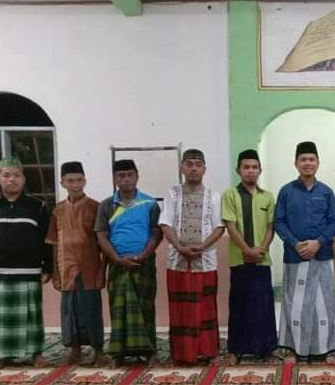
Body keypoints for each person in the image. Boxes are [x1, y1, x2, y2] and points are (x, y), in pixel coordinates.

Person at [0, 157, 52, 369]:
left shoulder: (37, 207)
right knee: (2, 319)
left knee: (31, 317)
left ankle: (36, 354)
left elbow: (47, 240)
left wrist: (48, 267)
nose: (12, 180)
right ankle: (3, 355)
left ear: (23, 179)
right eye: (6, 175)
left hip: (30, 272)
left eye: (16, 175)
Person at [274, 141, 335, 363]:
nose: (307, 163)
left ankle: (326, 348)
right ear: (296, 163)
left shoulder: (326, 192)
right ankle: (295, 349)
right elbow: (279, 222)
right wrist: (295, 244)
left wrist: (318, 243)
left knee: (323, 303)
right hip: (295, 256)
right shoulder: (286, 191)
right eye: (303, 159)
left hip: (322, 256)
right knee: (295, 305)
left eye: (311, 159)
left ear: (318, 163)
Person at [159, 149, 224, 365]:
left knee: (206, 307)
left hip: (204, 262)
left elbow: (219, 227)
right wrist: (179, 247)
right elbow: (165, 223)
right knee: (181, 309)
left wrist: (202, 247)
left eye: (198, 164)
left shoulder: (213, 195)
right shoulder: (173, 194)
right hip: (178, 261)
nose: (193, 168)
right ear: (182, 168)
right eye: (189, 164)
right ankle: (182, 354)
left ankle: (208, 351)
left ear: (205, 169)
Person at [95, 159, 161, 367]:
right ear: (115, 179)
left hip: (144, 264)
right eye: (121, 175)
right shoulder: (107, 205)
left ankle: (150, 353)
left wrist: (143, 256)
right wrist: (117, 259)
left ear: (137, 177)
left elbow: (156, 234)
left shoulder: (150, 203)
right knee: (119, 310)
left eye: (130, 175)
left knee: (145, 308)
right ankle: (118, 354)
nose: (126, 179)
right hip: (117, 265)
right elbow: (101, 236)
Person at [46, 161, 107, 366]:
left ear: (85, 181)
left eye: (79, 180)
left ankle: (98, 350)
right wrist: (55, 272)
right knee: (70, 311)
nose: (75, 185)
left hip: (90, 268)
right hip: (66, 268)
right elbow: (54, 243)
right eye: (70, 181)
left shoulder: (96, 207)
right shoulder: (58, 210)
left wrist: (102, 271)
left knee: (92, 309)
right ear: (62, 183)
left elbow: (104, 242)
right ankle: (75, 350)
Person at [221, 149, 277, 364]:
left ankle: (266, 349)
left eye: (254, 167)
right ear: (238, 170)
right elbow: (230, 225)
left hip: (262, 260)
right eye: (246, 167)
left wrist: (261, 249)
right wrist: (247, 250)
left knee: (264, 305)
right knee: (239, 305)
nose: (250, 171)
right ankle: (235, 350)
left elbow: (271, 227)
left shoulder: (267, 197)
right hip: (240, 260)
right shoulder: (230, 195)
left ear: (260, 170)